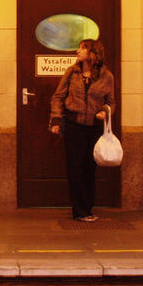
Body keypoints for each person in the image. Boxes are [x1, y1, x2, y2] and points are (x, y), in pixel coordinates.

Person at [48, 39, 116, 222]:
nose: (78, 51)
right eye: (79, 48)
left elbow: (111, 102)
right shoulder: (72, 72)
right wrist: (56, 120)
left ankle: (88, 208)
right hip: (74, 126)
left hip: (94, 129)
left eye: (82, 48)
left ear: (92, 52)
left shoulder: (106, 76)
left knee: (89, 168)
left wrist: (104, 112)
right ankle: (79, 211)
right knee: (75, 168)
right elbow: (58, 97)